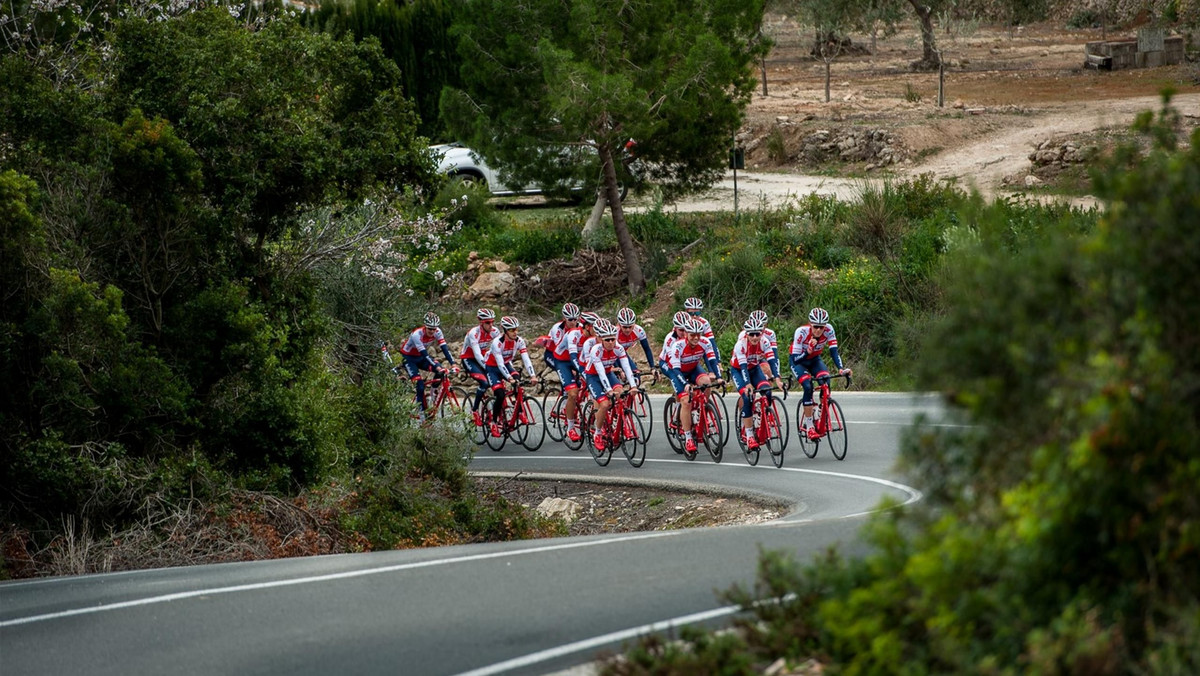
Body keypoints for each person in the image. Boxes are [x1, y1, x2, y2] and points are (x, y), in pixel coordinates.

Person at [790, 307, 852, 440]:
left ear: (825, 326)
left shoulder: (829, 330)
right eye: (815, 326)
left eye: (821, 327)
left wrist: (841, 368)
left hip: (814, 360)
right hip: (798, 361)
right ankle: (809, 426)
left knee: (826, 382)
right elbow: (795, 359)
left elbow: (834, 351)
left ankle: (819, 413)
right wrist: (807, 351)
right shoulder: (801, 332)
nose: (818, 330)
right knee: (808, 386)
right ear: (810, 324)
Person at [665, 317, 723, 454]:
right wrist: (685, 384)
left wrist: (719, 377)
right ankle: (688, 437)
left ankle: (702, 408)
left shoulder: (705, 342)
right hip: (678, 372)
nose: (696, 338)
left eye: (698, 334)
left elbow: (712, 360)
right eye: (692, 335)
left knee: (707, 383)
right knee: (686, 401)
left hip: (693, 368)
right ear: (686, 334)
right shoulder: (677, 346)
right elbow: (675, 369)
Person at [581, 319, 637, 452]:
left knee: (621, 394)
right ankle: (598, 433)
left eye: (613, 339)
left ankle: (619, 423)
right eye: (607, 340)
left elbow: (627, 367)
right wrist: (608, 390)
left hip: (608, 374)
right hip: (593, 377)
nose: (611, 342)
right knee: (605, 404)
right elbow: (600, 372)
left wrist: (633, 385)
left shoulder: (619, 348)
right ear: (601, 339)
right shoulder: (596, 350)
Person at [730, 316, 783, 448]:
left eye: (757, 334)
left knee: (767, 391)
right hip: (739, 371)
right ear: (747, 334)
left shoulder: (764, 342)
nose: (755, 337)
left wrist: (777, 378)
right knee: (747, 397)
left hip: (754, 369)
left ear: (762, 333)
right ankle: (749, 435)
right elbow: (743, 368)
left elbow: (772, 361)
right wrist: (747, 384)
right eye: (752, 334)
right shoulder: (740, 345)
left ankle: (762, 418)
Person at [483, 316, 539, 437]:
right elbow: (499, 363)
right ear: (505, 330)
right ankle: (493, 422)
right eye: (512, 330)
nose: (515, 332)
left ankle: (519, 412)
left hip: (507, 364)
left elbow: (526, 359)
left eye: (516, 329)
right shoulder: (497, 343)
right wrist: (509, 378)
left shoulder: (519, 341)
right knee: (500, 394)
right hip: (493, 368)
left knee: (518, 383)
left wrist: (533, 375)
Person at [398, 312, 458, 421]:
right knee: (420, 385)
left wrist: (453, 363)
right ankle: (422, 415)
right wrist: (437, 366)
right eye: (430, 329)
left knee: (439, 371)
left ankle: (433, 393)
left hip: (420, 357)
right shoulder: (417, 335)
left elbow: (445, 348)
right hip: (409, 358)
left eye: (434, 329)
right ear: (425, 326)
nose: (432, 331)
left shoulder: (438, 332)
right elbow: (425, 354)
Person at [545, 303, 585, 441]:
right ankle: (565, 412)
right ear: (564, 318)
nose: (574, 322)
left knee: (582, 383)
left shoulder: (581, 328)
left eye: (576, 319)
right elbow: (560, 348)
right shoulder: (557, 328)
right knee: (571, 388)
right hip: (556, 357)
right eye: (570, 320)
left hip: (572, 358)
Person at [460, 308, 500, 417]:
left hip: (482, 357)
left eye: (492, 322)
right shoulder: (474, 333)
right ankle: (475, 410)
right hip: (469, 359)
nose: (491, 325)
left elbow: (499, 349)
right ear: (481, 323)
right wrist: (488, 368)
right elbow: (477, 354)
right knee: (484, 383)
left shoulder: (495, 332)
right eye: (487, 323)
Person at [615, 308, 656, 380]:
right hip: (611, 356)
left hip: (622, 354)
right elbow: (611, 353)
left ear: (634, 324)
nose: (628, 330)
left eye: (630, 326)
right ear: (619, 325)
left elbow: (646, 349)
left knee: (636, 376)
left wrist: (652, 367)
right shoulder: (615, 333)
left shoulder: (639, 331)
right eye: (625, 327)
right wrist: (618, 369)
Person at [738, 309, 779, 380]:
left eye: (762, 325)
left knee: (767, 371)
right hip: (748, 358)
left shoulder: (770, 334)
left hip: (762, 357)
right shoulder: (743, 334)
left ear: (766, 324)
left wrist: (776, 373)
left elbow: (774, 355)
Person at [683, 297, 721, 364]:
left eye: (697, 313)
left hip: (696, 348)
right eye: (691, 314)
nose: (694, 316)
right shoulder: (682, 323)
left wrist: (718, 362)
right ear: (686, 312)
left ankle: (712, 372)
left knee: (707, 347)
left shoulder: (704, 323)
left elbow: (712, 343)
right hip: (683, 349)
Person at [657, 311, 692, 380]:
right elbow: (673, 361)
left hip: (684, 361)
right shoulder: (670, 339)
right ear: (675, 328)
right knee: (678, 378)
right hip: (666, 362)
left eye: (686, 330)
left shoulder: (692, 337)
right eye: (681, 330)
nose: (684, 333)